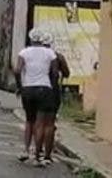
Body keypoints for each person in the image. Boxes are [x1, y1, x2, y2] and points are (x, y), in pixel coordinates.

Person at [14, 29, 59, 167]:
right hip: (44, 89)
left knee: (29, 121)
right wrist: (51, 86)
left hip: (28, 89)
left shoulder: (24, 52)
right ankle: (37, 155)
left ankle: (26, 150)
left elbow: (17, 70)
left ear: (31, 39)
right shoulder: (50, 53)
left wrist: (20, 86)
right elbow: (55, 73)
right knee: (40, 123)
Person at [41, 32, 70, 166]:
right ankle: (47, 154)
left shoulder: (35, 55)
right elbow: (66, 73)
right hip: (52, 92)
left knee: (38, 121)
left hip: (37, 89)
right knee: (50, 123)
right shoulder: (57, 56)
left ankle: (37, 150)